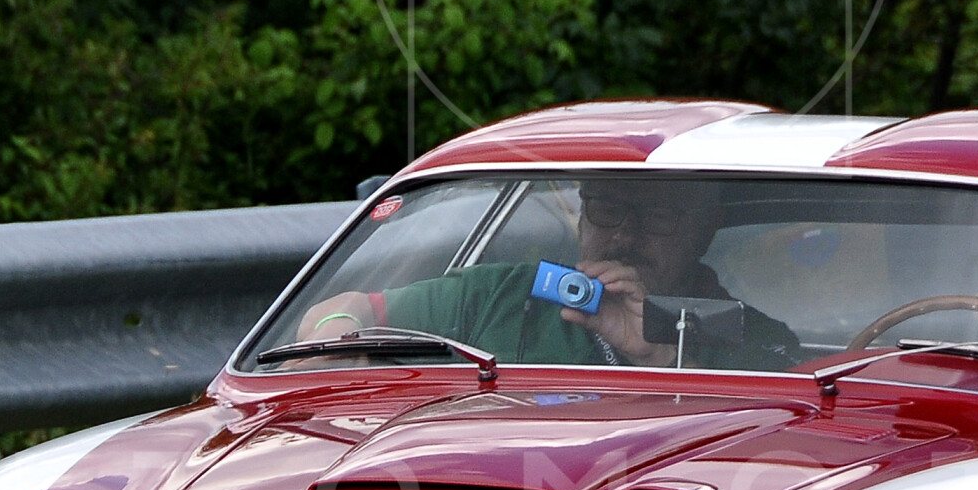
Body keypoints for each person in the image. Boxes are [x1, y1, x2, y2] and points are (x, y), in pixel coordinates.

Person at [295, 178, 800, 370]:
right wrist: (336, 342)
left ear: (704, 231)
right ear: (580, 219)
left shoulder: (750, 334)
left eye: (658, 218)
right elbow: (345, 308)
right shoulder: (505, 292)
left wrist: (659, 355)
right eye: (607, 211)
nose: (625, 235)